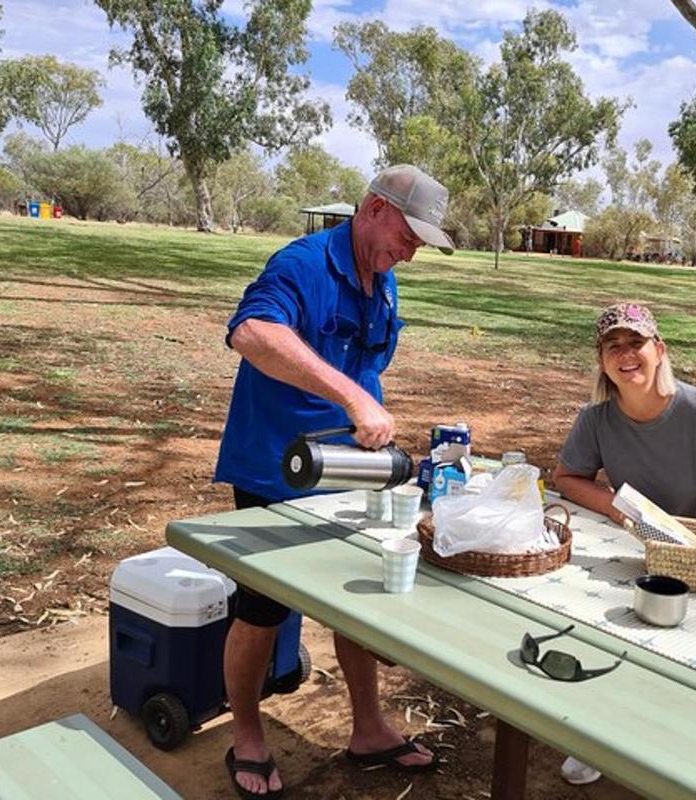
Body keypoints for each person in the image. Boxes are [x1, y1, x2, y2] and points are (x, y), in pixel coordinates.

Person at [214, 165, 455, 798]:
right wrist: (352, 398)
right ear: (375, 208)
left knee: (356, 602)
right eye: (408, 235)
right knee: (262, 609)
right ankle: (247, 733)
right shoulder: (302, 264)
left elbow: (365, 367)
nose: (410, 252)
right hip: (276, 465)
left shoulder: (385, 280)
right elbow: (253, 333)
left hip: (351, 470)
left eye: (418, 244)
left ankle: (369, 730)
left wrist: (369, 422)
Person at [550, 302, 696, 786]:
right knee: (604, 629)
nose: (626, 355)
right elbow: (567, 477)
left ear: (660, 350)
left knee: (695, 660)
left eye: (636, 343)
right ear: (602, 361)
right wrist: (616, 507)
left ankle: (693, 757)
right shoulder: (596, 419)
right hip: (639, 549)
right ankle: (597, 736)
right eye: (613, 347)